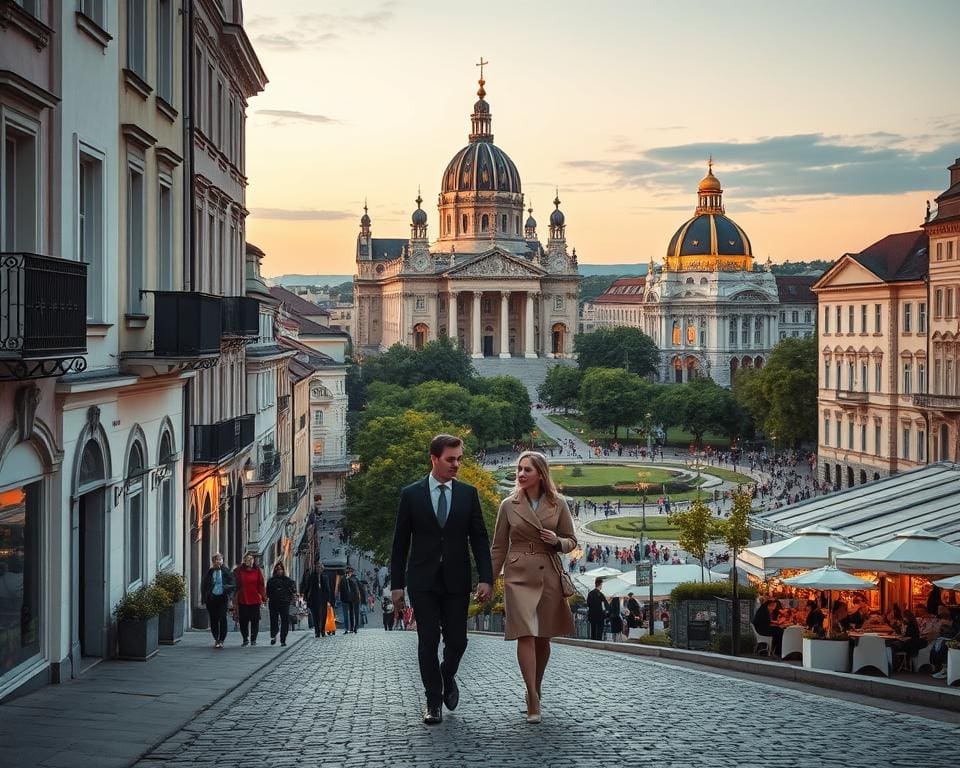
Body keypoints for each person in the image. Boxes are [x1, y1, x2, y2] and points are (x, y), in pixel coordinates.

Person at [390, 434, 493, 725]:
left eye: (459, 459)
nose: (456, 464)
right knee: (428, 640)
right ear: (434, 459)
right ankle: (433, 702)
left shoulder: (468, 494)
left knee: (457, 641)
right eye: (451, 459)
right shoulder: (411, 494)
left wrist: (486, 578)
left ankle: (447, 675)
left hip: (457, 580)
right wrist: (397, 585)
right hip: (422, 581)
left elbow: (479, 539)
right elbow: (400, 544)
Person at [490, 451, 578, 724]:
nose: (521, 474)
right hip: (518, 575)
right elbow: (498, 547)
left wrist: (557, 541)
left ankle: (536, 686)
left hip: (548, 572)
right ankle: (531, 696)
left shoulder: (558, 503)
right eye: (519, 469)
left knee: (543, 638)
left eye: (527, 469)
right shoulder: (508, 505)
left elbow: (571, 541)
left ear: (541, 474)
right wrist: (488, 580)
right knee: (525, 633)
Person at [200, 553, 235, 649]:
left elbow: (233, 584)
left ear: (222, 561)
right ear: (213, 562)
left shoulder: (226, 571)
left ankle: (222, 639)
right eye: (216, 560)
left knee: (223, 618)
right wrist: (204, 598)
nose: (218, 561)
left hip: (222, 598)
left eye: (220, 559)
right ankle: (216, 639)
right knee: (213, 619)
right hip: (212, 598)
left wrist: (229, 595)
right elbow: (204, 585)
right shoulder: (210, 572)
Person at [233, 553, 266, 646]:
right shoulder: (239, 570)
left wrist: (263, 596)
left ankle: (253, 639)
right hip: (243, 598)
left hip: (255, 598)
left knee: (255, 620)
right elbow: (234, 581)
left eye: (251, 559)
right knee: (243, 620)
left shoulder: (257, 570)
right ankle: (245, 638)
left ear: (253, 560)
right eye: (247, 559)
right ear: (244, 560)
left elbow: (261, 584)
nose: (250, 561)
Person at [301, 561, 337, 638]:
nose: (319, 569)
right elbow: (308, 586)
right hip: (314, 598)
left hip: (323, 599)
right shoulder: (312, 576)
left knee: (323, 615)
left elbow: (328, 589)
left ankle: (323, 630)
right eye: (317, 567)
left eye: (320, 567)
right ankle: (317, 631)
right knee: (316, 616)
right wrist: (305, 596)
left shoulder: (325, 576)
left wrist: (329, 600)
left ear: (322, 568)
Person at [266, 562, 297, 646]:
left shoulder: (288, 580)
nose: (279, 571)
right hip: (273, 602)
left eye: (280, 569)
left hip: (284, 602)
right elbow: (268, 592)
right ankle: (273, 635)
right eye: (277, 569)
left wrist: (291, 597)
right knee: (274, 620)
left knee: (285, 620)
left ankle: (283, 639)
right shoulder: (271, 581)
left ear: (283, 570)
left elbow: (293, 590)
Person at [339, 566, 363, 633]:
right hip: (348, 599)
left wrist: (349, 579)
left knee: (356, 613)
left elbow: (359, 586)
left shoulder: (354, 578)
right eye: (347, 572)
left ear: (351, 572)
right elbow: (341, 588)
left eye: (349, 572)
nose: (348, 573)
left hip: (355, 598)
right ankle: (351, 627)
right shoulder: (343, 579)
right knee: (351, 614)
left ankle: (356, 627)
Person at [586, 578, 608, 642]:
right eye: (602, 585)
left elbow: (588, 605)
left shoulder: (590, 593)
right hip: (600, 616)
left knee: (593, 630)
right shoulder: (601, 595)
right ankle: (598, 642)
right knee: (599, 632)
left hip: (592, 615)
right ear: (600, 585)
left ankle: (593, 642)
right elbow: (605, 606)